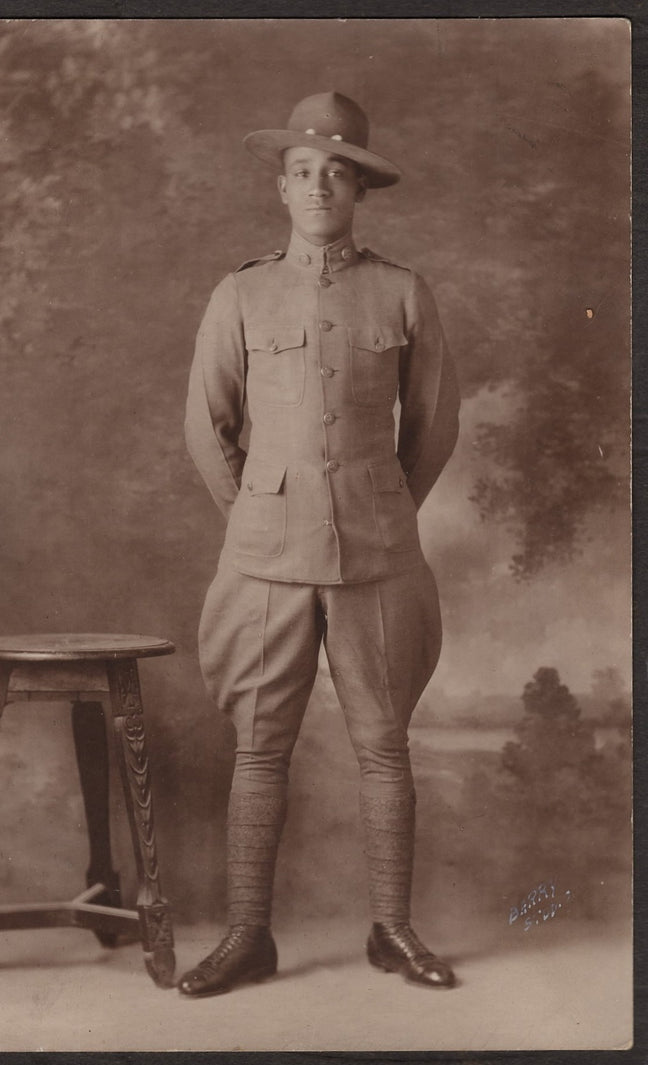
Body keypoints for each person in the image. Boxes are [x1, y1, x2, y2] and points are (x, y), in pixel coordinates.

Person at [181, 91, 460, 997]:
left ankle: (393, 929)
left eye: (336, 172)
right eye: (302, 172)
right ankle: (247, 935)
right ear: (281, 187)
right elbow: (206, 426)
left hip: (378, 554)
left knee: (385, 745)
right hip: (263, 555)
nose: (317, 187)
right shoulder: (242, 292)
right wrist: (257, 511)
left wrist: (383, 502)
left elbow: (433, 425)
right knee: (261, 748)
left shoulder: (402, 290)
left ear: (360, 189)